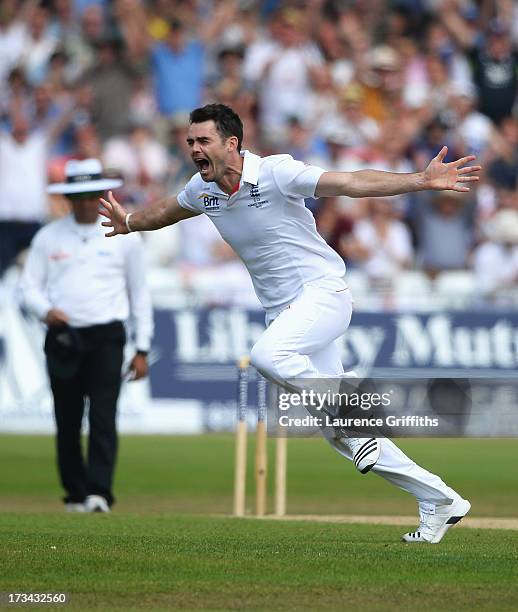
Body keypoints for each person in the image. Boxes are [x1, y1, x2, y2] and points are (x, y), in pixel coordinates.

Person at [99, 104, 480, 543]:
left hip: (323, 293)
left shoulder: (276, 172)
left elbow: (350, 183)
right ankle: (439, 499)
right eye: (190, 143)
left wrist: (420, 180)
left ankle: (349, 400)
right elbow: (166, 211)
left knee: (266, 356)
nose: (194, 150)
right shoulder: (202, 191)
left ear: (231, 144)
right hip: (284, 313)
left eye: (203, 141)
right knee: (342, 438)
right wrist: (127, 222)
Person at [20, 159, 153, 513]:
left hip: (107, 335)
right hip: (64, 335)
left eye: (90, 194)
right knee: (66, 417)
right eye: (76, 195)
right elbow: (28, 288)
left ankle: (98, 493)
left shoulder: (124, 237)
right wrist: (45, 311)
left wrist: (142, 348)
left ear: (100, 195)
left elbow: (140, 294)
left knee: (103, 416)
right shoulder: (48, 236)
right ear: (68, 198)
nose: (83, 202)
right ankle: (74, 494)